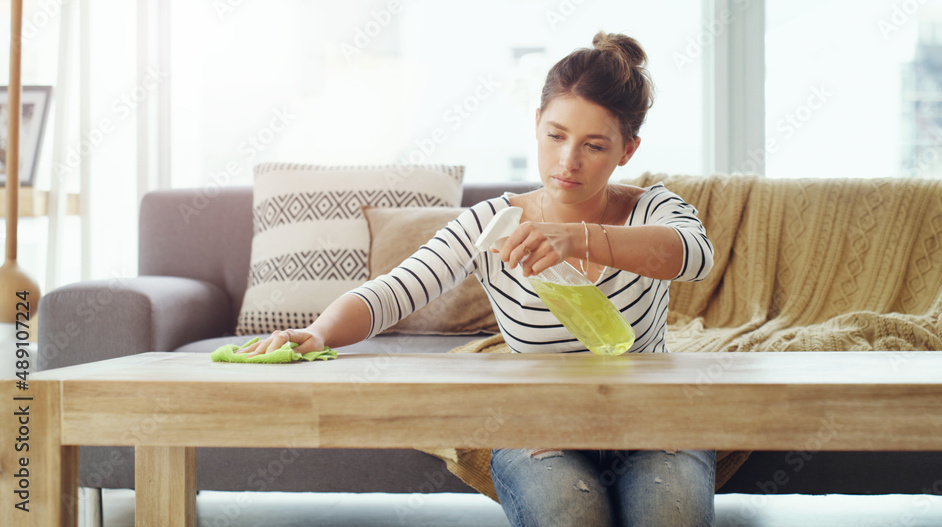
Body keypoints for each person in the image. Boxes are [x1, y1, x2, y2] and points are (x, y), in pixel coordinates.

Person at [238, 31, 715, 526]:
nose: (567, 161)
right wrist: (317, 333)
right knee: (572, 515)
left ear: (627, 150)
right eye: (555, 135)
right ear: (536, 124)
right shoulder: (495, 226)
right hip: (540, 429)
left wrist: (576, 238)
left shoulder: (652, 208)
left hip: (654, 424)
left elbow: (694, 257)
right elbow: (395, 290)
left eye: (594, 145)